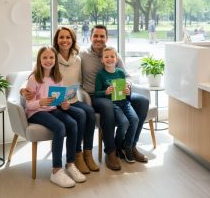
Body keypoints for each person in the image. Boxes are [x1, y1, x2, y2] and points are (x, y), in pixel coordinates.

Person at [80, 25, 149, 171]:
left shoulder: (113, 54)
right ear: (91, 37)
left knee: (142, 101)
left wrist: (128, 86)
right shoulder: (83, 55)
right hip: (96, 96)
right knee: (107, 105)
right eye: (96, 36)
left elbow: (127, 76)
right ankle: (110, 151)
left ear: (106, 38)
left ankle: (130, 145)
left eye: (102, 36)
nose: (99, 39)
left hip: (119, 94)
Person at [25, 46, 86, 188]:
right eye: (45, 57)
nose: (48, 60)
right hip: (36, 112)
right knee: (60, 127)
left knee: (72, 123)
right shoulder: (34, 78)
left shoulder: (58, 78)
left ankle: (70, 164)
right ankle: (56, 170)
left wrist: (64, 105)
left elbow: (59, 100)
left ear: (55, 60)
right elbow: (29, 106)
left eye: (51, 57)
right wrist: (40, 102)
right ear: (39, 60)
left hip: (52, 109)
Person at [53, 27, 99, 174]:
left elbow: (78, 81)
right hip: (56, 102)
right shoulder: (51, 57)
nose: (65, 40)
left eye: (68, 37)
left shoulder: (77, 59)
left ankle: (88, 153)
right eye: (61, 37)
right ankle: (76, 155)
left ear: (72, 40)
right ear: (56, 40)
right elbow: (35, 76)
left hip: (72, 99)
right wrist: (23, 89)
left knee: (90, 111)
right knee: (81, 115)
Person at [95, 47, 139, 163]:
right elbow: (96, 93)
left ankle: (127, 145)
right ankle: (117, 146)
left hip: (124, 102)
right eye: (106, 57)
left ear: (116, 59)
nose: (109, 59)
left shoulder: (120, 72)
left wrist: (128, 91)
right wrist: (106, 92)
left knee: (134, 120)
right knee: (124, 122)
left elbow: (126, 90)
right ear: (102, 60)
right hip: (113, 105)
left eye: (112, 56)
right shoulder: (101, 75)